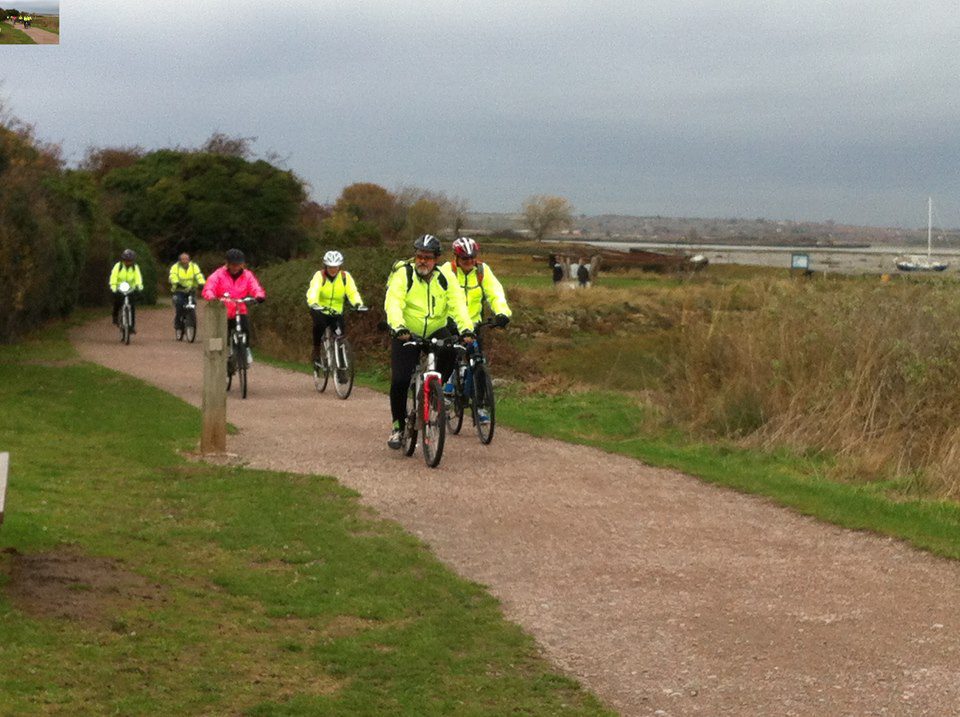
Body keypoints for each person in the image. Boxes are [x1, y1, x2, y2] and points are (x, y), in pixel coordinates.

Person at [383, 234, 474, 449]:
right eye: (419, 256)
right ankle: (398, 427)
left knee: (451, 350)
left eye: (428, 257)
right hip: (407, 331)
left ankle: (434, 391)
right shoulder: (404, 274)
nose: (423, 261)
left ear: (437, 259)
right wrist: (398, 327)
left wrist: (466, 328)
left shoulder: (445, 277)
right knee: (400, 380)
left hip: (435, 328)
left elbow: (458, 304)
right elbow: (393, 302)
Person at [201, 248, 266, 364]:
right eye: (233, 264)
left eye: (238, 264)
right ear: (227, 264)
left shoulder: (247, 275)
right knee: (218, 338)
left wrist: (259, 296)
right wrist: (213, 298)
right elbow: (209, 288)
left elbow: (255, 287)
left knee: (245, 330)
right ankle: (216, 360)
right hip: (222, 311)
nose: (236, 267)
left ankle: (245, 350)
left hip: (239, 309)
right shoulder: (218, 274)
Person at [305, 250, 365, 364]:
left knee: (340, 336)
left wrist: (358, 304)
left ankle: (341, 366)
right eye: (330, 267)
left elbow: (352, 292)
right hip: (320, 310)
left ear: (339, 266)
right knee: (319, 326)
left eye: (335, 267)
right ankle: (316, 350)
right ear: (326, 266)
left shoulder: (345, 277)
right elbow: (313, 290)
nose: (333, 269)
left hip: (336, 312)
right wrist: (313, 303)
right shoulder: (319, 276)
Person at [109, 248, 144, 332]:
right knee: (117, 302)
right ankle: (115, 316)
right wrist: (113, 286)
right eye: (126, 260)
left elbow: (138, 277)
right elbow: (113, 276)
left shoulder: (135, 267)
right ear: (123, 260)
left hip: (131, 288)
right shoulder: (118, 266)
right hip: (119, 288)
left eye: (130, 260)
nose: (128, 262)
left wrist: (139, 286)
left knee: (132, 306)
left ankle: (131, 326)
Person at [168, 252, 206, 330]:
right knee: (179, 304)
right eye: (183, 259)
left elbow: (198, 275)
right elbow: (172, 275)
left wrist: (202, 282)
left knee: (193, 303)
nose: (185, 261)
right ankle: (178, 322)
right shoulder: (175, 267)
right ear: (180, 260)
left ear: (189, 260)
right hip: (179, 289)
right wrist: (176, 282)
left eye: (186, 259)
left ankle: (191, 319)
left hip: (191, 289)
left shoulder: (194, 266)